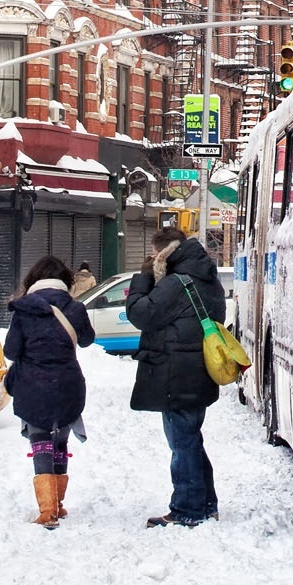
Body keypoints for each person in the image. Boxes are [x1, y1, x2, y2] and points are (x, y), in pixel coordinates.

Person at [127, 224, 225, 528]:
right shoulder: (206, 277)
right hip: (198, 371)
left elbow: (141, 314)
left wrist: (143, 277)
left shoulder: (177, 283)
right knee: (191, 440)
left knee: (182, 444)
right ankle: (206, 504)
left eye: (155, 255)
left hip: (176, 374)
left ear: (165, 253)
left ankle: (188, 509)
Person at [3, 255, 94, 528]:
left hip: (32, 384)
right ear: (65, 281)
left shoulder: (23, 310)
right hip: (67, 383)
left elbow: (11, 351)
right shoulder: (75, 308)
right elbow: (88, 340)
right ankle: (59, 504)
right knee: (60, 442)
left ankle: (47, 510)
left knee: (40, 440)